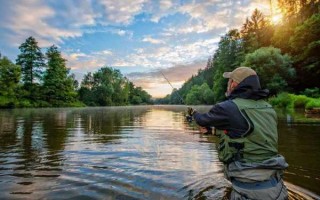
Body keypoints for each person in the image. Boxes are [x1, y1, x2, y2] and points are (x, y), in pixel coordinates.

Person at [188, 66, 289, 200]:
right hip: (278, 188)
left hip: (248, 192)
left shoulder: (227, 107)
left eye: (229, 81)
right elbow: (247, 133)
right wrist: (211, 131)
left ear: (234, 84)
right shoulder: (268, 108)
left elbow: (202, 120)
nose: (227, 85)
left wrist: (194, 113)